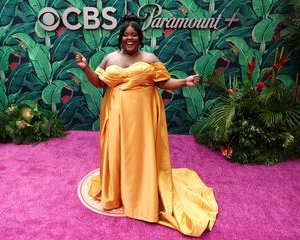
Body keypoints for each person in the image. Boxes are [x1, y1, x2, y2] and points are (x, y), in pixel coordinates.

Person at [75, 14, 218, 237]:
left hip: (143, 113)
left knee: (140, 152)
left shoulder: (150, 58)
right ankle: (119, 191)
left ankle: (143, 193)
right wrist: (85, 68)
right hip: (116, 111)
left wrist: (184, 82)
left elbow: (164, 82)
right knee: (117, 149)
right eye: (125, 35)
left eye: (133, 35)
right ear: (120, 37)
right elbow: (98, 83)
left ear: (140, 37)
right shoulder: (109, 58)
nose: (129, 38)